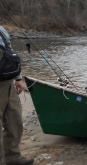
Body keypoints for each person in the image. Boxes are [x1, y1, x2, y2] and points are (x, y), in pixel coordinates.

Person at [0, 26, 34, 165]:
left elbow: (9, 50)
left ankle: (12, 157)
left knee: (16, 122)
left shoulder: (1, 29)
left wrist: (18, 78)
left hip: (8, 84)